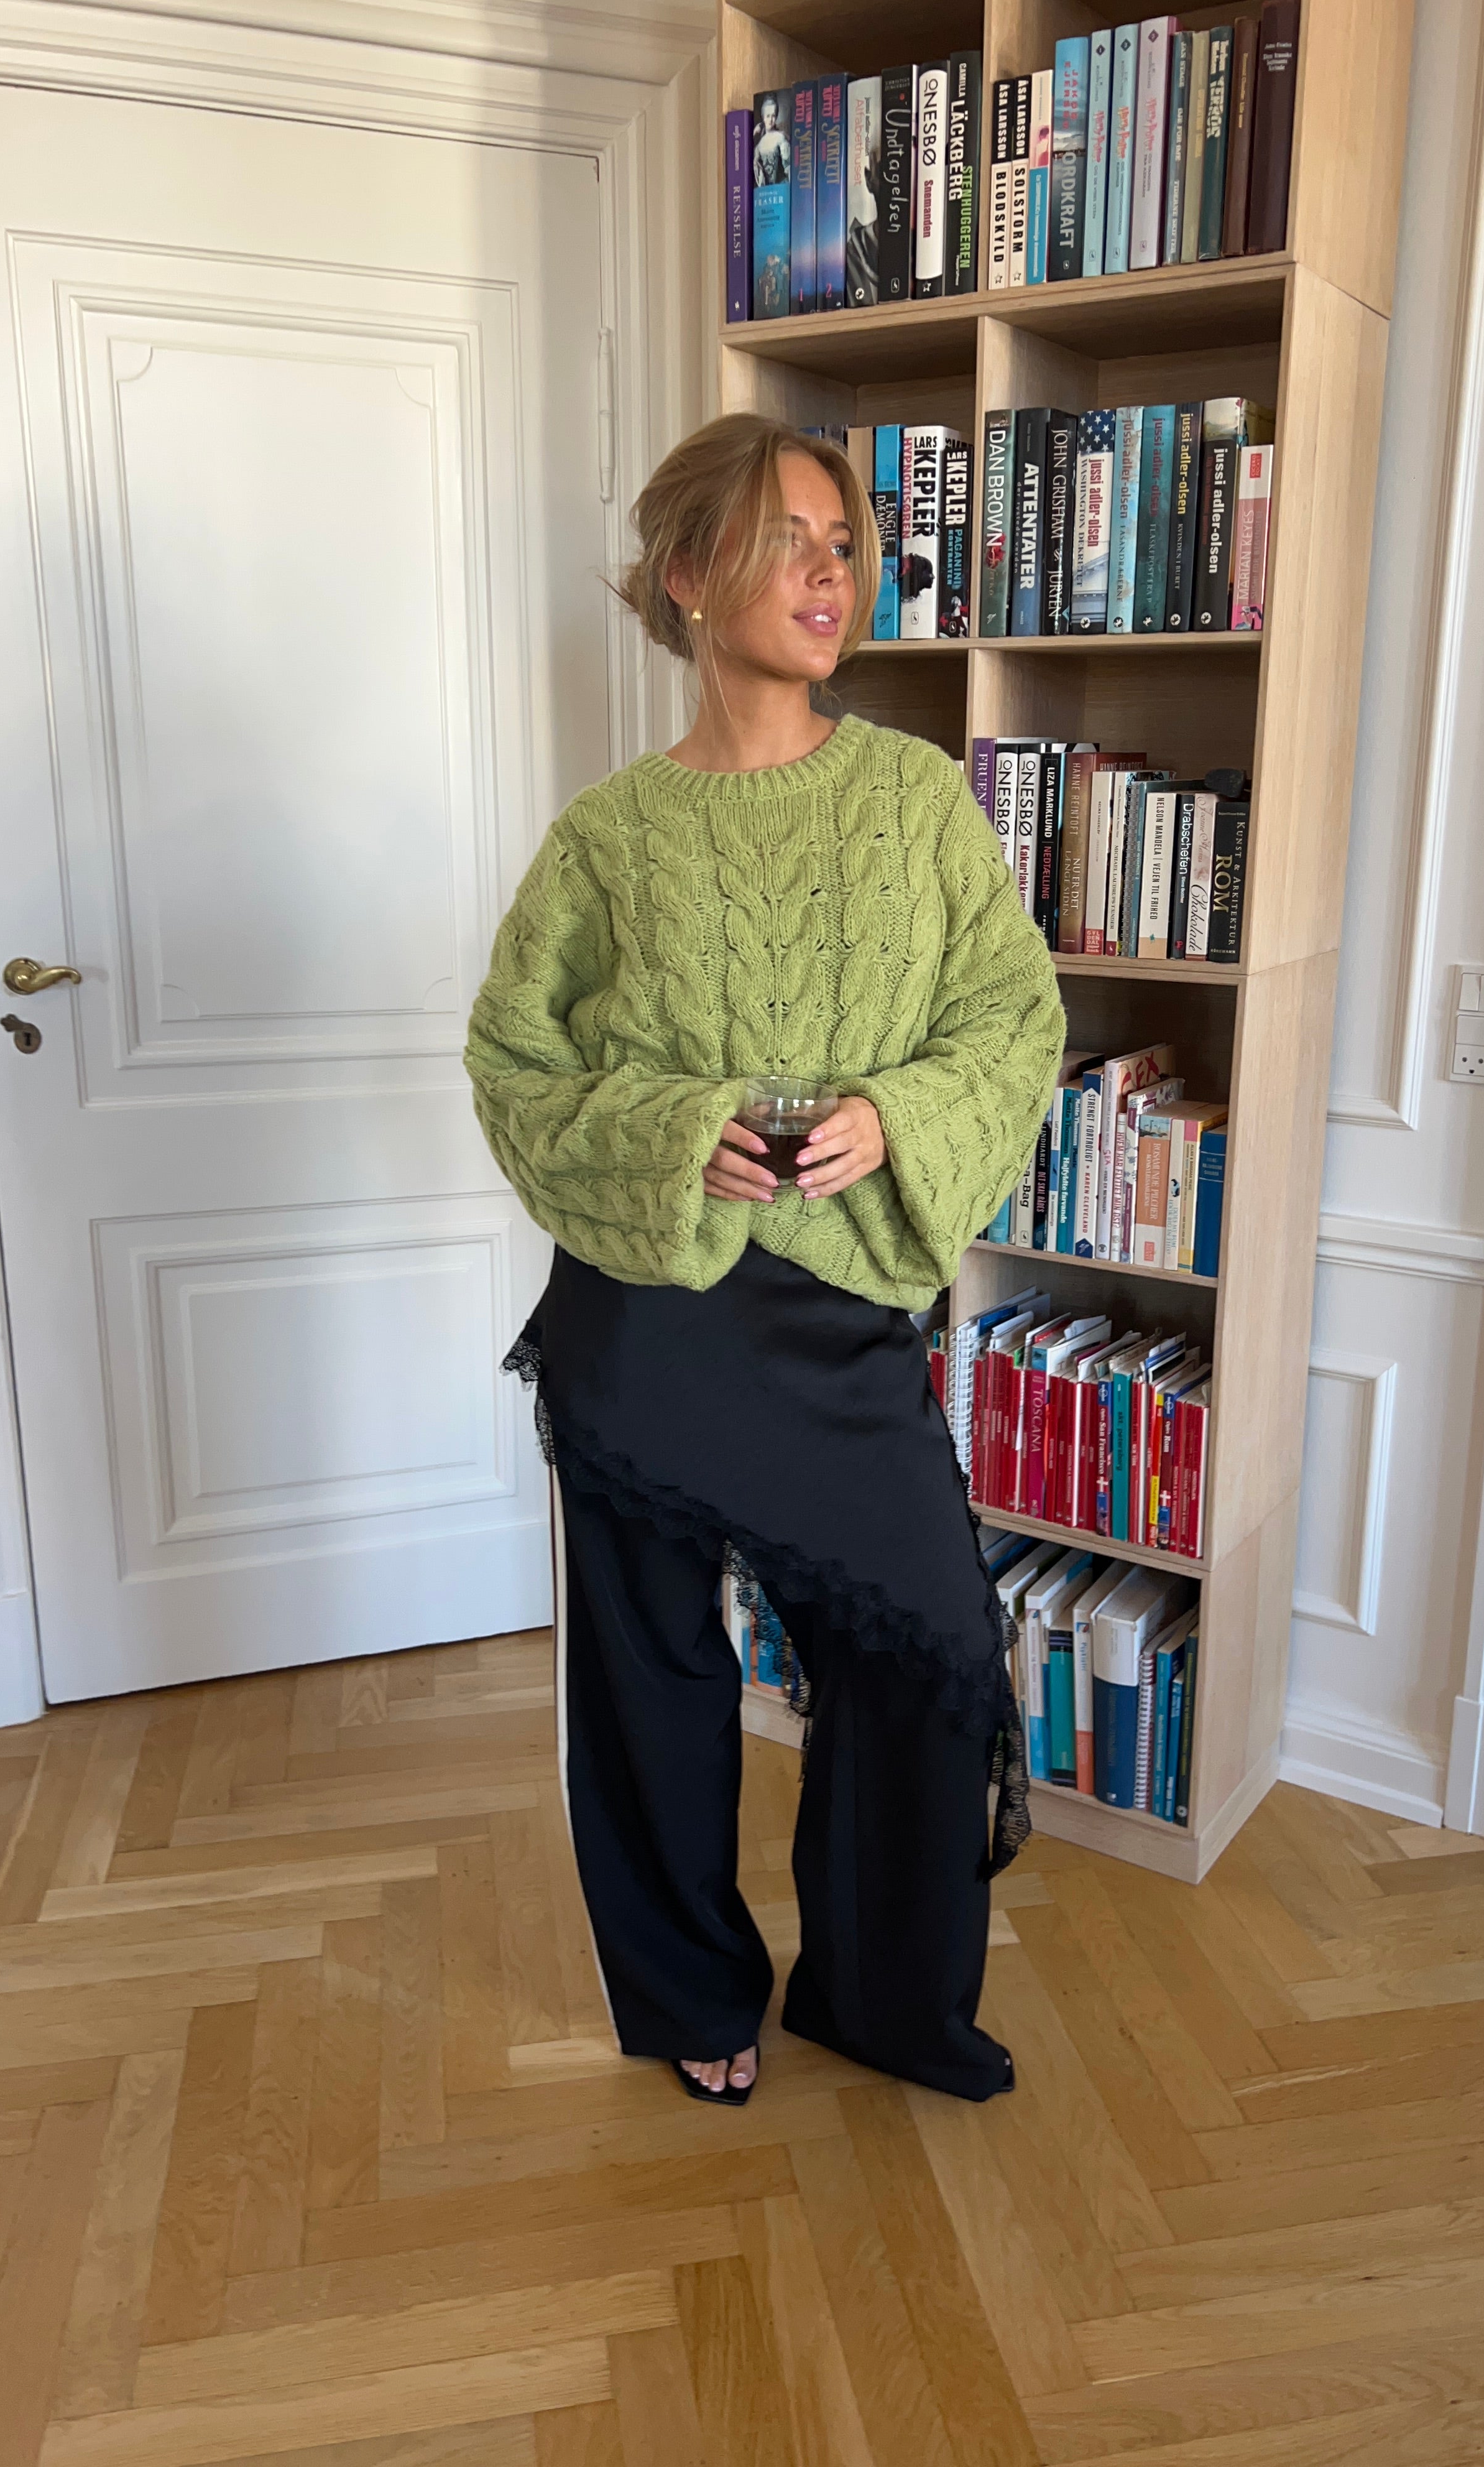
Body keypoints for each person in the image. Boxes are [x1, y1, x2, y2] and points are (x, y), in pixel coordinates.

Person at [464, 413, 1064, 2107]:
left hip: (841, 1320)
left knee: (929, 1649)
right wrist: (679, 1133)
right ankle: (691, 1996)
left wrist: (895, 1113)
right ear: (684, 574)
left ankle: (881, 1995)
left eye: (844, 542)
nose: (829, 572)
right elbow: (515, 1064)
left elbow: (1013, 1021)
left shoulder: (915, 799)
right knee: (653, 1672)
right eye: (786, 538)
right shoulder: (608, 839)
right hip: (646, 1323)